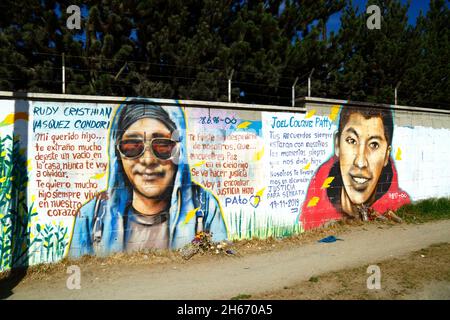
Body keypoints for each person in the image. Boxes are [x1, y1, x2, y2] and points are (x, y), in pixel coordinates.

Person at [69, 100, 228, 257]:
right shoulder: (92, 215)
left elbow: (221, 260)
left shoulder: (204, 207)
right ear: (117, 154)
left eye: (163, 146)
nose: (148, 160)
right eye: (132, 146)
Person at [300, 106, 410, 230]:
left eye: (374, 144)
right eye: (351, 141)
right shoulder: (311, 212)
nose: (361, 162)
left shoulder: (400, 202)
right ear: (337, 145)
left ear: (386, 155)